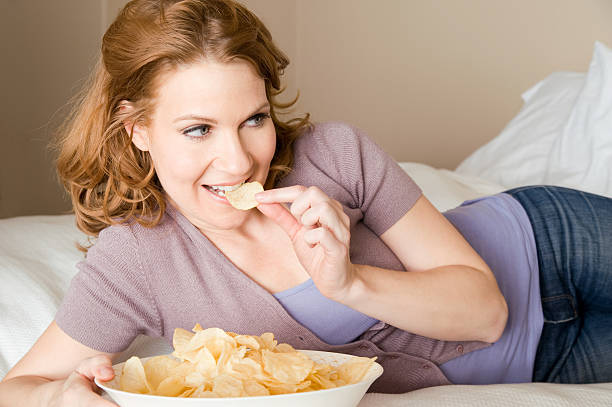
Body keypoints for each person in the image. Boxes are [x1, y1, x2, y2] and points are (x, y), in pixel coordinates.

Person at [1, 0, 611, 404]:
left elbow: (485, 312)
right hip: (548, 359)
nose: (239, 161)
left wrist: (350, 284)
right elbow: (18, 385)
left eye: (253, 119)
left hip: (549, 238)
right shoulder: (136, 262)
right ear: (135, 128)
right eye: (197, 130)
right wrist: (58, 396)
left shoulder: (335, 155)